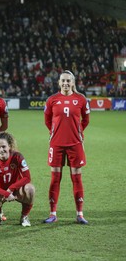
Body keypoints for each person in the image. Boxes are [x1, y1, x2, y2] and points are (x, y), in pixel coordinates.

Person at [43, 70, 90, 224]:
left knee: (76, 177)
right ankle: (53, 213)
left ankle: (80, 214)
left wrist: (77, 132)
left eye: (68, 81)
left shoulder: (81, 99)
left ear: (73, 83)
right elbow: (47, 121)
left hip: (75, 144)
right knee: (55, 178)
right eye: (63, 81)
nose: (65, 83)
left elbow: (86, 120)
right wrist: (55, 133)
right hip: (56, 144)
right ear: (59, 83)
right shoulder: (52, 100)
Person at [0, 131, 35, 227]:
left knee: (30, 189)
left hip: (17, 191)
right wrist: (6, 193)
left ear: (9, 146)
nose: (1, 150)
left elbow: (27, 177)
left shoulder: (18, 156)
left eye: (4, 146)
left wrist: (11, 188)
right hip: (0, 192)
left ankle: (24, 216)